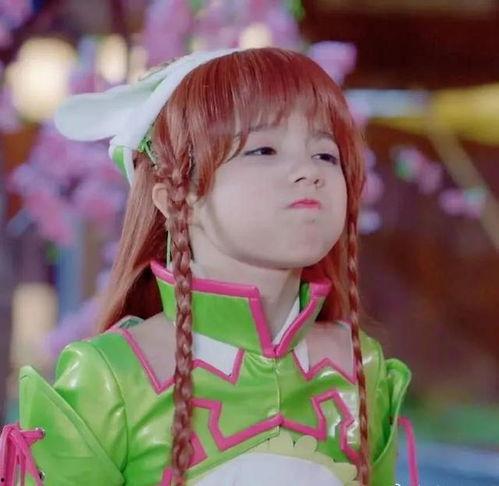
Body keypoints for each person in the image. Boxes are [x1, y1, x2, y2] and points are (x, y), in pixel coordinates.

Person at [0, 47, 419, 486]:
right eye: (264, 149)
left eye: (326, 155)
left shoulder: (360, 366)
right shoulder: (112, 378)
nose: (308, 172)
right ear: (176, 199)